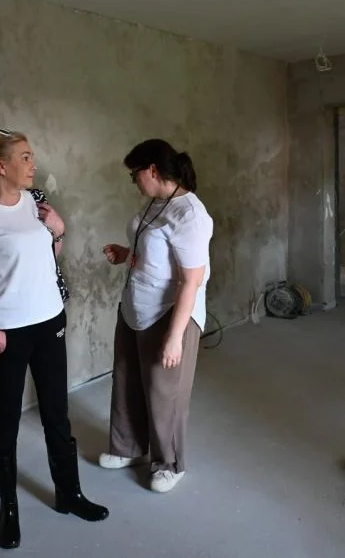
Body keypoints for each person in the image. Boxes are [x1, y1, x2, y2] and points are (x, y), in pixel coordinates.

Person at [0, 128, 108, 550]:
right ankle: (9, 510)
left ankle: (69, 494)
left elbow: (45, 261)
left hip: (49, 321)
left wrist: (59, 232)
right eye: (24, 157)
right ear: (0, 166)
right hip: (8, 333)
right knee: (6, 419)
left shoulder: (36, 203)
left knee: (57, 412)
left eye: (31, 156)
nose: (32, 163)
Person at [98, 139, 213, 494]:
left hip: (170, 311)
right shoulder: (156, 203)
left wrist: (175, 337)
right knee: (127, 378)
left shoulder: (190, 215)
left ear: (152, 170)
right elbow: (155, 252)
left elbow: (191, 280)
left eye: (134, 174)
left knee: (165, 391)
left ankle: (169, 463)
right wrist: (126, 254)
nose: (134, 181)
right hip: (136, 304)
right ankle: (129, 448)